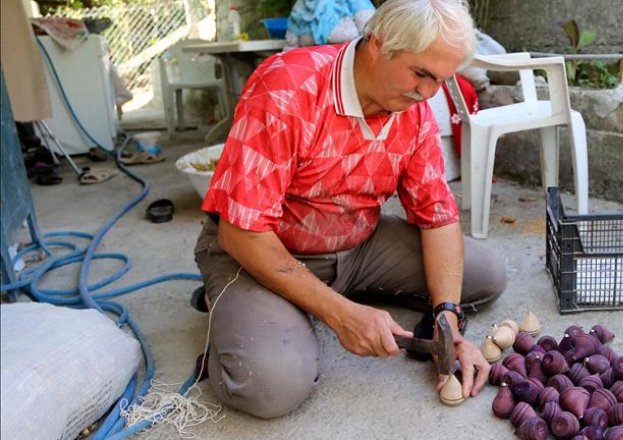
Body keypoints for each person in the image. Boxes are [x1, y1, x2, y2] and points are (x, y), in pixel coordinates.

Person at [193, 0, 507, 419]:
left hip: (357, 245)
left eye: (441, 80)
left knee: (485, 274)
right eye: (420, 74)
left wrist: (446, 317)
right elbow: (241, 233)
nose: (428, 93)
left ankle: (325, 297)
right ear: (377, 44)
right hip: (260, 251)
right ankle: (238, 306)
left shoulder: (413, 109)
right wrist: (340, 315)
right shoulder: (287, 86)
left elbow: (438, 217)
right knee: (271, 385)